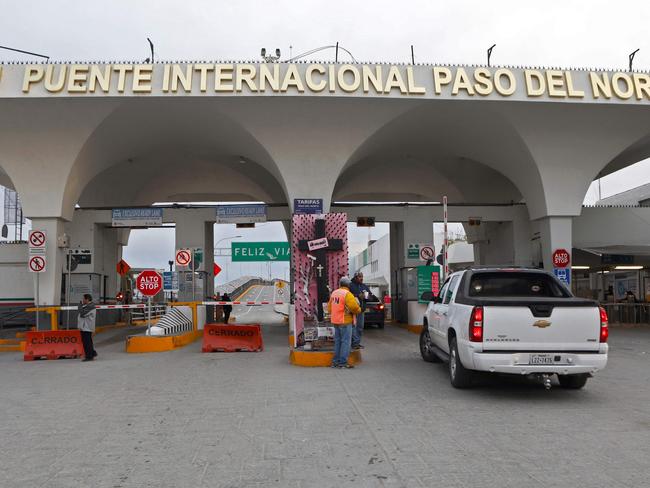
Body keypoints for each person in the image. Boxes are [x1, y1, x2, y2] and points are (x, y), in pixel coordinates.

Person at [328, 276, 362, 368]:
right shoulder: (347, 294)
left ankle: (335, 362)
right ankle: (343, 363)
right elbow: (354, 308)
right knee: (346, 342)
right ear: (348, 285)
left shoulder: (334, 293)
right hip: (345, 321)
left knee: (338, 341)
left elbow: (329, 308)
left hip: (336, 321)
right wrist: (359, 310)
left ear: (340, 284)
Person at [350, 272, 371, 350]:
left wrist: (367, 297)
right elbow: (348, 296)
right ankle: (354, 343)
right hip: (353, 311)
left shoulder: (364, 286)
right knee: (353, 327)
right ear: (355, 278)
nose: (361, 278)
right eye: (359, 277)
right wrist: (357, 295)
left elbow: (370, 296)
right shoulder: (350, 285)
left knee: (360, 327)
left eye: (362, 276)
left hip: (361, 310)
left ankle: (357, 343)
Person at [77, 293, 97, 362]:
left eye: (83, 299)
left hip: (87, 327)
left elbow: (82, 313)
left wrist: (79, 305)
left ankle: (89, 356)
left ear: (87, 299)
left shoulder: (90, 306)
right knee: (88, 342)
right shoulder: (88, 306)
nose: (82, 300)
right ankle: (92, 353)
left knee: (86, 342)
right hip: (85, 327)